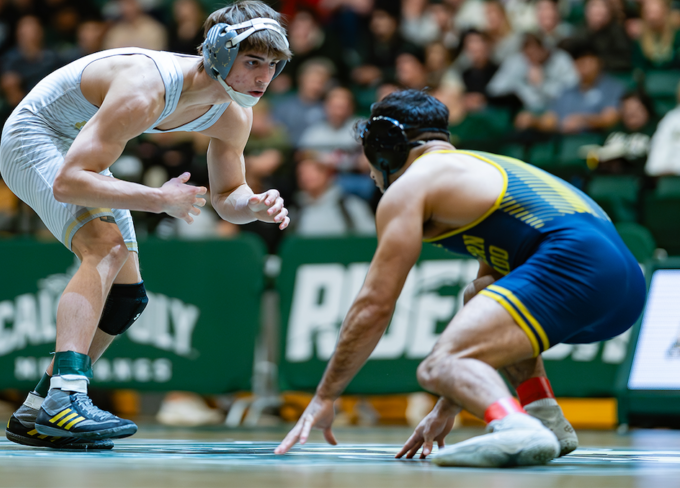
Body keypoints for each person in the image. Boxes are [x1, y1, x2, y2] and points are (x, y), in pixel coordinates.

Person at [275, 89, 645, 467]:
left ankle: (514, 426)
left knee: (437, 364)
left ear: (385, 149)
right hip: (625, 286)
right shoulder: (479, 169)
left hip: (577, 262)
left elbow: (374, 305)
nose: (370, 171)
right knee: (480, 294)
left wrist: (325, 395)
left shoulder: (411, 187)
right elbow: (493, 296)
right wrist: (445, 408)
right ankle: (543, 416)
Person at [0, 0, 292, 450]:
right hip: (35, 137)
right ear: (219, 51)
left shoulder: (235, 112)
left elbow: (226, 196)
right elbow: (68, 183)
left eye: (273, 65)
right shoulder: (145, 87)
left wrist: (251, 204)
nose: (264, 77)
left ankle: (36, 410)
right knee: (106, 246)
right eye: (253, 61)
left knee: (127, 299)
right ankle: (66, 396)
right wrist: (158, 199)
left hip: (81, 150)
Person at [523, 43, 623, 134]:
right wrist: (533, 121)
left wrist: (584, 120)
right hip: (567, 144)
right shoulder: (567, 92)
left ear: (598, 62)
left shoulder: (612, 87)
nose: (582, 67)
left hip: (598, 142)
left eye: (586, 62)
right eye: (578, 62)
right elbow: (551, 120)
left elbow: (610, 118)